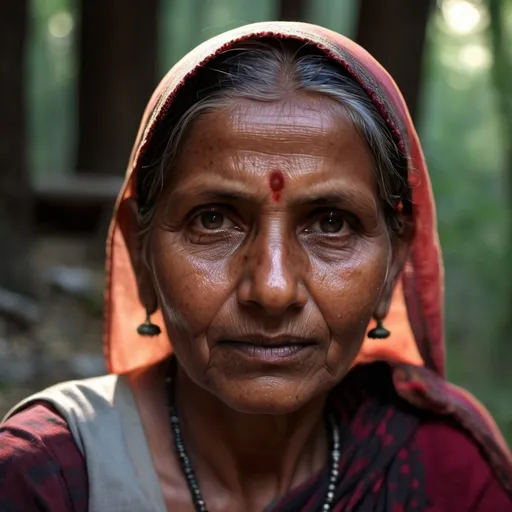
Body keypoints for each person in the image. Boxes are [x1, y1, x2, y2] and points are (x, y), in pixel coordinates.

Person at [1, 21, 511, 512]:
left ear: (393, 265)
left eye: (331, 223)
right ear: (141, 252)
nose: (272, 288)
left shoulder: (444, 471)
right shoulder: (47, 477)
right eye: (214, 219)